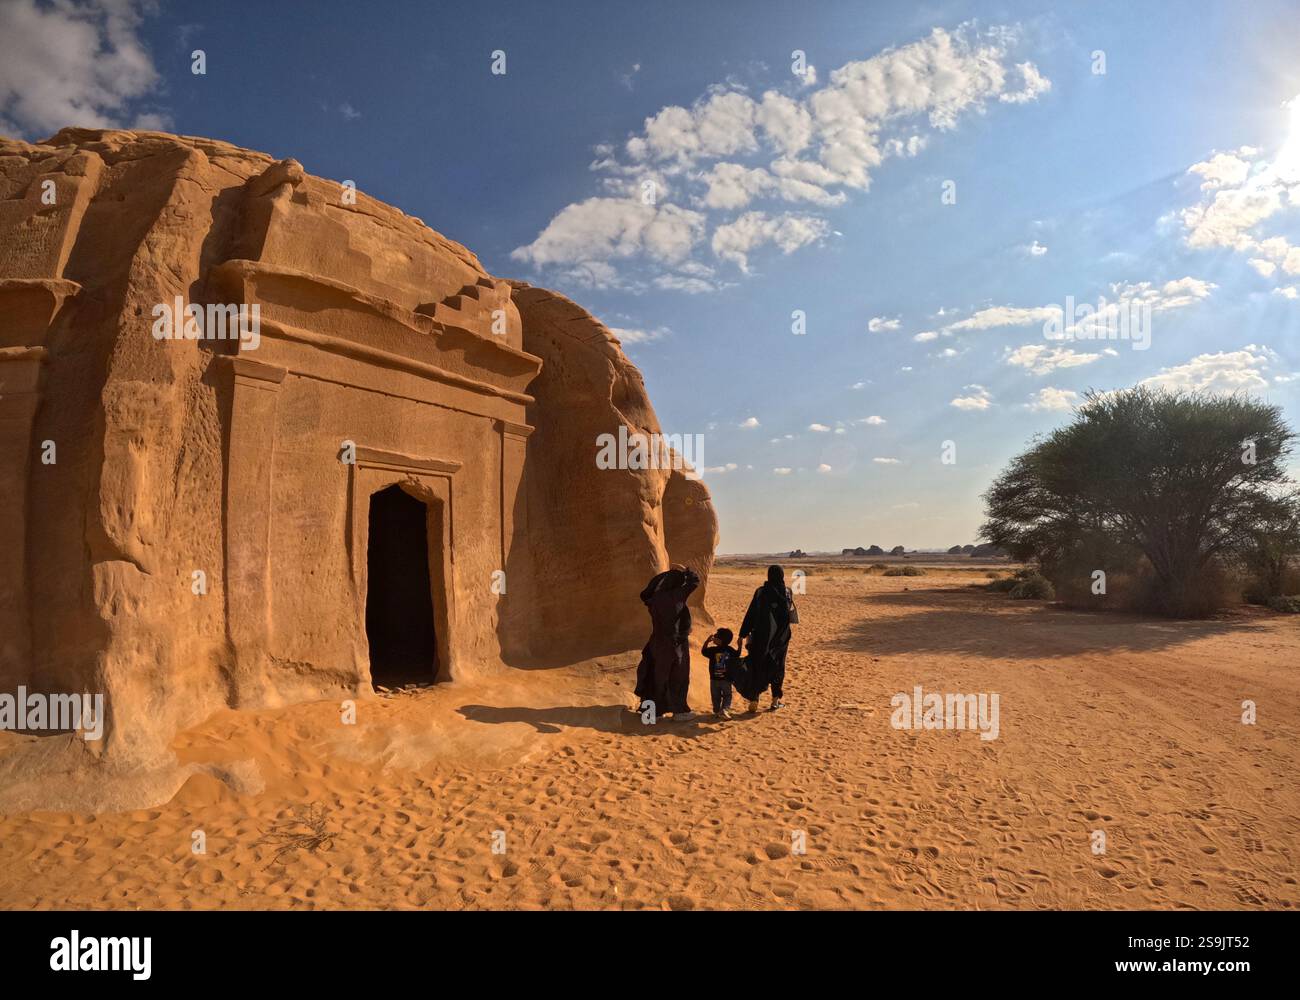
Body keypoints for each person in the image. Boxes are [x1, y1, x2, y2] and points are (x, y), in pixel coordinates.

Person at [633, 563, 700, 720]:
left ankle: (651, 712)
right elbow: (694, 581)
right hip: (675, 644)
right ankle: (679, 712)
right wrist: (686, 570)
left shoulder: (654, 599)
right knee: (678, 676)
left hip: (656, 642)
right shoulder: (676, 595)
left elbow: (647, 592)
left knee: (657, 676)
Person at [739, 564, 798, 712]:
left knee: (758, 665)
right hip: (781, 638)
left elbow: (751, 614)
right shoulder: (787, 592)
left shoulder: (760, 592)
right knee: (778, 666)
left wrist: (742, 633)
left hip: (761, 636)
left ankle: (754, 698)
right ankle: (775, 701)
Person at [701, 628, 740, 720]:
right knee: (727, 696)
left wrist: (707, 641)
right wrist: (740, 645)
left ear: (720, 640)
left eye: (715, 637)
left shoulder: (713, 650)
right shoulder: (730, 650)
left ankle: (717, 711)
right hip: (726, 680)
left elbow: (703, 651)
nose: (714, 638)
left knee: (715, 696)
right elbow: (737, 654)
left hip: (714, 679)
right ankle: (724, 710)